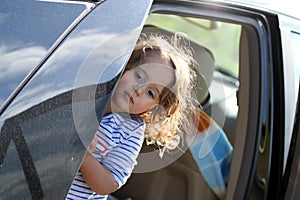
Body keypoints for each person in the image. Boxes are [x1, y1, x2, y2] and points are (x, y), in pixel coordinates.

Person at [66, 32, 199, 199]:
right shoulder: (85, 96)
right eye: (139, 76)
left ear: (155, 107)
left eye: (150, 93)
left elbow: (109, 184)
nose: (138, 90)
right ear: (125, 66)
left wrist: (85, 157)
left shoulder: (131, 131)